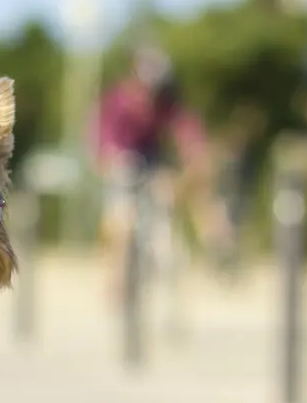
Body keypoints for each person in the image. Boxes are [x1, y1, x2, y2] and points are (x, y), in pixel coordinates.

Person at [93, 43, 229, 302]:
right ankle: (116, 281)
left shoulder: (164, 101)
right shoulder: (118, 99)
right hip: (121, 163)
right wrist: (108, 158)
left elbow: (186, 126)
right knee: (121, 218)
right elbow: (102, 136)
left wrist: (196, 152)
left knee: (183, 187)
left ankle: (217, 239)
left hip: (152, 161)